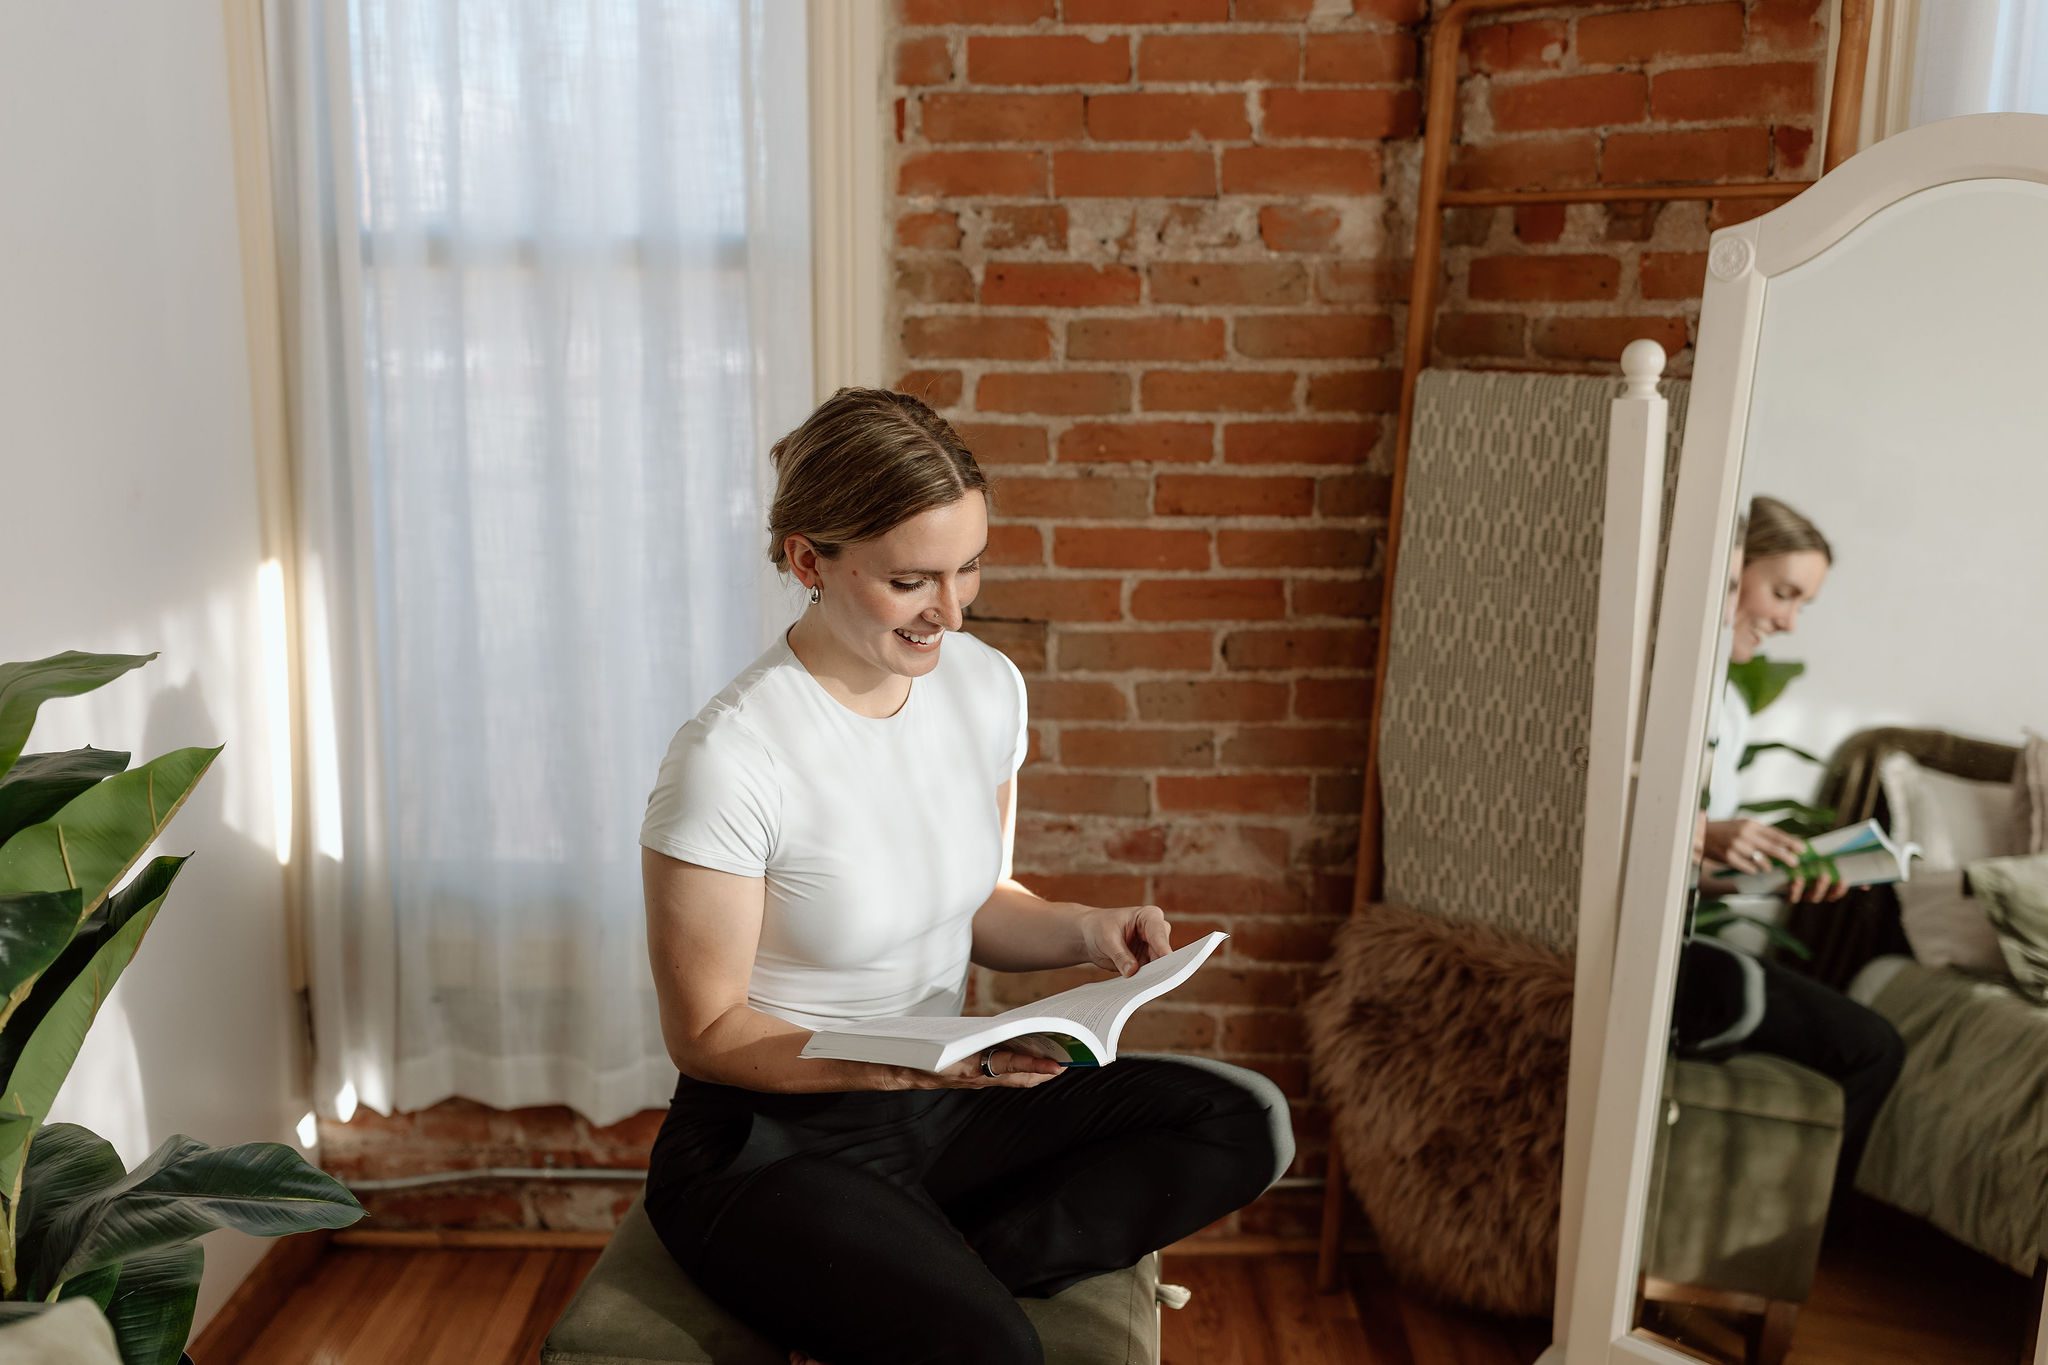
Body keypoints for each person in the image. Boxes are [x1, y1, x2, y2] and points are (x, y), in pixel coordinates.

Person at [637, 388, 1292, 1365]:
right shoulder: (730, 759)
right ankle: (931, 1301)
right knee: (994, 1350)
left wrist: (1085, 930)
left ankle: (927, 1281)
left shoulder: (983, 688)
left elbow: (975, 899)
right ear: (808, 562)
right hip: (769, 1141)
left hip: (941, 1102)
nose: (949, 610)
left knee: (1241, 1121)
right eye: (910, 581)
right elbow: (707, 1032)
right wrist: (905, 1060)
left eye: (968, 568)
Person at [1674, 496, 1904, 1196]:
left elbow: (1696, 877)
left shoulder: (1731, 709)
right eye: (1783, 593)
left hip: (1677, 939)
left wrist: (1767, 879)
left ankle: (1781, 1252)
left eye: (1801, 604)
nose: (1787, 621)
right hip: (1637, 950)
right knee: (1867, 1045)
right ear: (1730, 566)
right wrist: (1705, 832)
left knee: (1874, 1044)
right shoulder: (1661, 682)